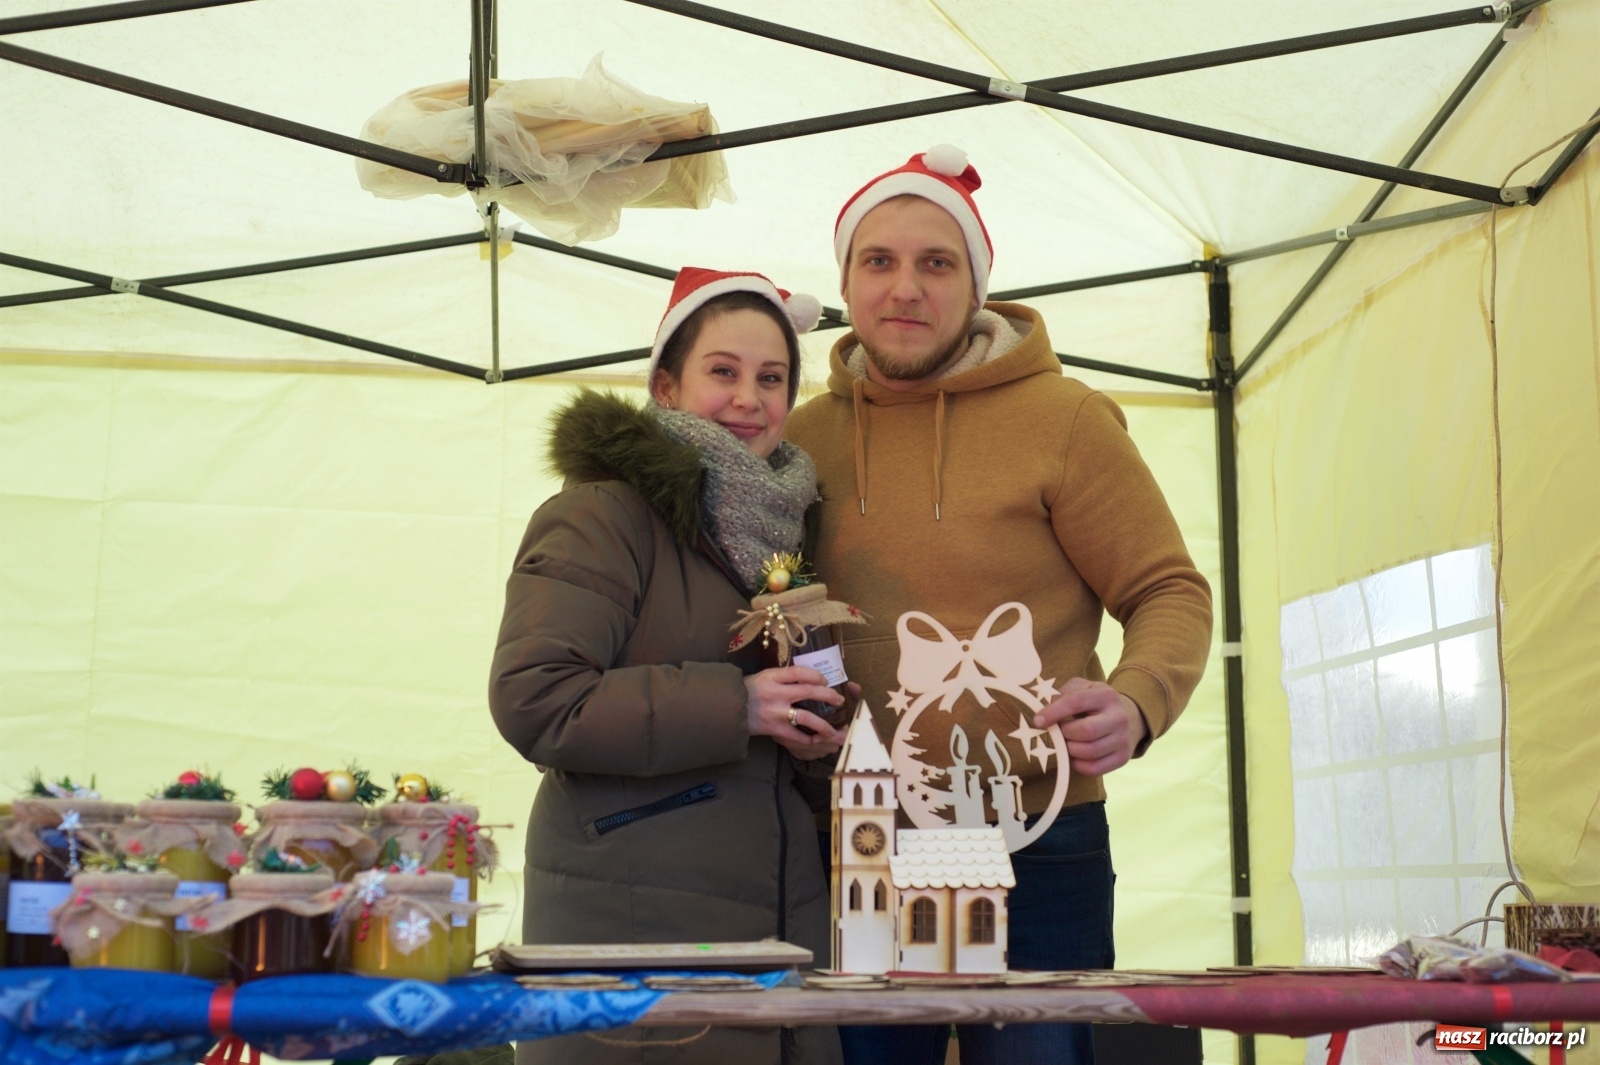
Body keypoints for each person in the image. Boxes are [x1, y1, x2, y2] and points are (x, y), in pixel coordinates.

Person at [785, 146, 1214, 1064]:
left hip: (1042, 834)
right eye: (879, 260)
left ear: (976, 282)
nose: (906, 288)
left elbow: (1166, 590)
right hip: (862, 838)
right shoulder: (796, 437)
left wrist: (1137, 701)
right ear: (847, 280)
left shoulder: (1065, 419)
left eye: (936, 262)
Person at [488, 267, 846, 1065]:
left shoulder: (780, 544)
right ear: (666, 386)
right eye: (723, 371)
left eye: (772, 377)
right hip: (631, 938)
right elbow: (537, 698)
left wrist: (814, 738)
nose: (750, 398)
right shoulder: (600, 514)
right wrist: (739, 705)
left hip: (771, 931)